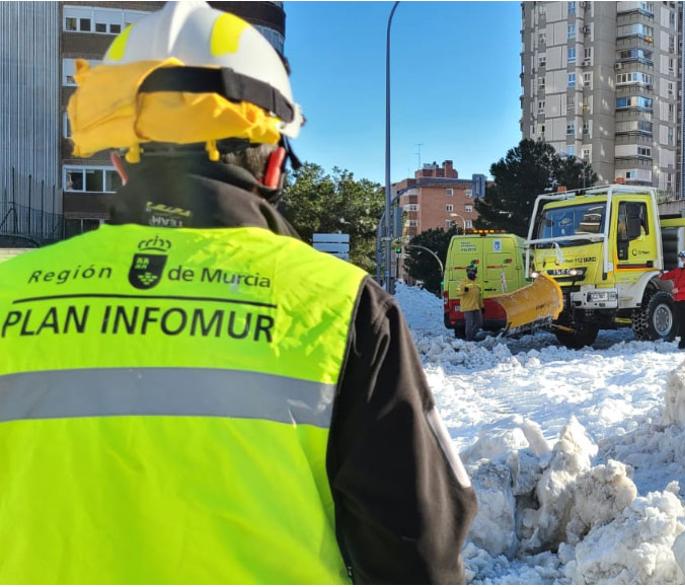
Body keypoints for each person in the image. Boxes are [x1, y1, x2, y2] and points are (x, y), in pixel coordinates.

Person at [0, 3, 475, 583]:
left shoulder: (9, 293)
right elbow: (418, 554)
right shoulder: (345, 306)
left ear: (120, 161)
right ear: (274, 161)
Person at [661, 250, 685, 351]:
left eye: (683, 259)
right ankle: (682, 344)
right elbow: (668, 275)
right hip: (678, 301)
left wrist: (679, 290)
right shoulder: (679, 271)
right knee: (681, 323)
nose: (681, 261)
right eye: (681, 259)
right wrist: (661, 275)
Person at [458, 265, 484, 341]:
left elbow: (480, 295)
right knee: (469, 324)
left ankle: (471, 336)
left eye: (473, 272)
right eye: (470, 271)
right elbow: (458, 292)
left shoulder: (477, 282)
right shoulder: (463, 282)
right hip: (467, 307)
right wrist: (464, 290)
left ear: (475, 272)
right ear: (467, 272)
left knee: (479, 323)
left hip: (476, 306)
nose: (471, 273)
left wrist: (482, 306)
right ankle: (469, 339)